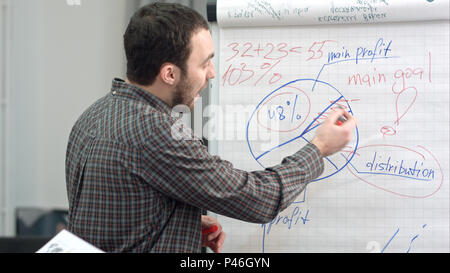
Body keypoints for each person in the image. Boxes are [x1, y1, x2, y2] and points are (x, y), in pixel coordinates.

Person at [65, 2, 357, 253]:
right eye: (204, 63)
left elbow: (112, 217)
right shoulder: (157, 132)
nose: (212, 74)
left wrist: (182, 223)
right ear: (169, 73)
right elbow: (259, 199)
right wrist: (319, 149)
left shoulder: (94, 115)